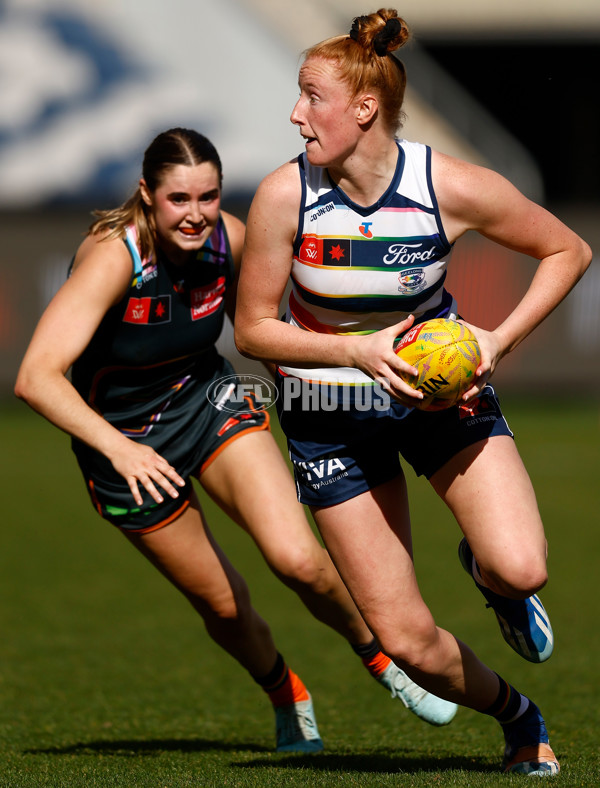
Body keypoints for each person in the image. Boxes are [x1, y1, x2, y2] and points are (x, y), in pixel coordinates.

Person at [14, 127, 457, 754]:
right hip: (125, 445)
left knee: (299, 560)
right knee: (224, 606)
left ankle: (384, 659)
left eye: (208, 196)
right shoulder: (116, 257)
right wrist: (120, 448)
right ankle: (285, 692)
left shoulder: (230, 238)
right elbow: (36, 377)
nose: (195, 214)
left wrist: (335, 386)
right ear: (147, 194)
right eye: (178, 199)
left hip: (208, 403)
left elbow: (263, 330)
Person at [234, 9, 592, 775]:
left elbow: (567, 248)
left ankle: (494, 581)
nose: (296, 114)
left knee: (522, 568)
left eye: (312, 98)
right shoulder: (284, 196)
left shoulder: (447, 185)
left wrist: (497, 340)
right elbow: (254, 331)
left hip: (438, 399)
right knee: (405, 641)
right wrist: (353, 350)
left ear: (365, 108)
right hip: (327, 415)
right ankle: (519, 718)